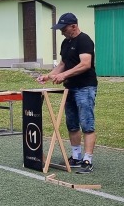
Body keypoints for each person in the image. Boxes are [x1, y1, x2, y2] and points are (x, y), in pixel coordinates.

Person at [37, 12, 97, 174]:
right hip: (69, 88)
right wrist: (49, 76)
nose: (61, 32)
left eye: (64, 29)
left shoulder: (84, 40)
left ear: (74, 26)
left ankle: (87, 160)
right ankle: (76, 157)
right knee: (72, 123)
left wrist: (63, 75)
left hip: (85, 87)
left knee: (87, 124)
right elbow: (63, 64)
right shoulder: (65, 42)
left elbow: (85, 64)